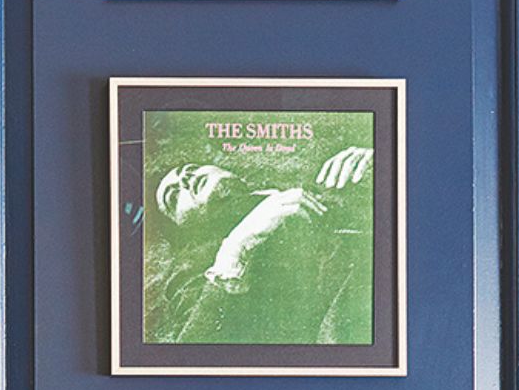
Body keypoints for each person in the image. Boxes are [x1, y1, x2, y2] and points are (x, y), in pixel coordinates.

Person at [150, 141, 373, 348]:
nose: (187, 179)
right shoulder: (194, 272)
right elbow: (192, 356)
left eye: (191, 168)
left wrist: (379, 169)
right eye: (174, 195)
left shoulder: (311, 179)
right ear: (182, 228)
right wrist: (236, 246)